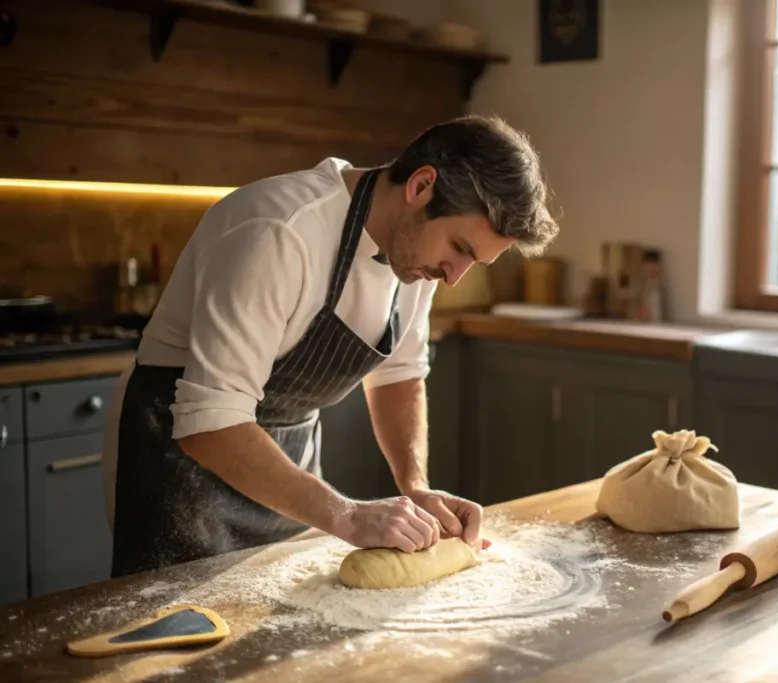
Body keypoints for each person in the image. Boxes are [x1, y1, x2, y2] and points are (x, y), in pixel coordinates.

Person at [101, 114, 559, 577]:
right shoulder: (280, 230)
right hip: (178, 465)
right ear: (421, 187)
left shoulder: (419, 258)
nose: (455, 275)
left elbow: (399, 374)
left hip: (286, 472)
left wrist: (415, 484)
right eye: (460, 248)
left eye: (473, 262)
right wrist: (346, 514)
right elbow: (210, 421)